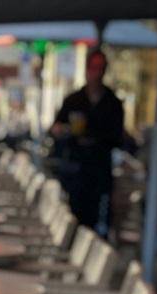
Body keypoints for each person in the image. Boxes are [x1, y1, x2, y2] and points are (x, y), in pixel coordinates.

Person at [51, 49, 124, 235]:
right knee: (72, 218)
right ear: (86, 69)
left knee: (97, 225)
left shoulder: (113, 103)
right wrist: (64, 131)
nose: (96, 73)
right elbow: (55, 128)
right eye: (93, 68)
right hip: (75, 170)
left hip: (99, 172)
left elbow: (118, 138)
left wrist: (95, 137)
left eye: (100, 68)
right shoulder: (74, 100)